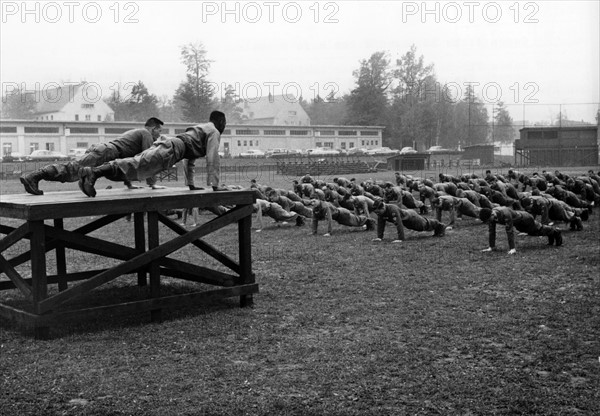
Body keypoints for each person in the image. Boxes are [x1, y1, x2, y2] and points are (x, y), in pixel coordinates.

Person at [78, 111, 227, 197]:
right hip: (170, 150)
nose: (224, 127)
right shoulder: (213, 131)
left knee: (135, 167)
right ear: (220, 121)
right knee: (136, 165)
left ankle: (92, 174)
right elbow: (212, 158)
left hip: (169, 146)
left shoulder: (201, 128)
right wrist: (215, 186)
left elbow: (189, 160)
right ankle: (94, 173)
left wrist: (191, 184)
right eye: (224, 123)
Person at [20, 117, 164, 195]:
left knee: (75, 172)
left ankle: (86, 182)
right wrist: (152, 184)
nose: (159, 135)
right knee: (71, 170)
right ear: (153, 128)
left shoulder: (137, 132)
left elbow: (129, 163)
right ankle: (33, 177)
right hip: (108, 152)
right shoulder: (146, 134)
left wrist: (129, 184)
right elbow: (147, 159)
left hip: (107, 152)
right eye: (159, 131)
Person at [479, 206, 562, 255]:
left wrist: (512, 248)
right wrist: (491, 247)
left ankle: (555, 231)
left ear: (492, 214)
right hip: (518, 223)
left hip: (526, 219)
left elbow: (509, 231)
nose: (490, 222)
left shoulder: (505, 214)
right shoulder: (491, 216)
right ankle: (551, 234)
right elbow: (491, 231)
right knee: (536, 231)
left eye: (489, 220)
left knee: (536, 231)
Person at [371, 199, 447, 243]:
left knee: (423, 226)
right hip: (406, 221)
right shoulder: (381, 213)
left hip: (411, 217)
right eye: (376, 212)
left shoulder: (392, 209)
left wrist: (400, 239)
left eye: (378, 211)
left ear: (383, 207)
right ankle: (437, 228)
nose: (378, 214)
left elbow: (399, 224)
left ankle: (440, 225)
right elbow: (381, 224)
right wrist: (379, 237)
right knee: (422, 226)